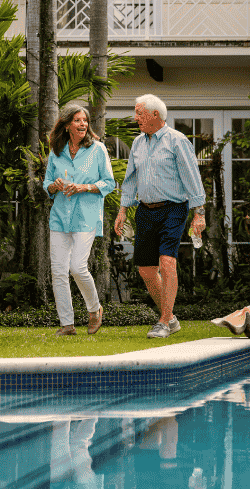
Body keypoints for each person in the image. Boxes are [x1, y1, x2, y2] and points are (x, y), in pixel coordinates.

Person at [113, 94, 206, 338]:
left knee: (167, 262)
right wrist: (123, 209)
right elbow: (131, 179)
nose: (136, 118)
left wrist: (199, 213)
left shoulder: (177, 141)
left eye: (139, 113)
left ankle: (164, 321)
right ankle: (171, 317)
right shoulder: (137, 143)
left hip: (173, 208)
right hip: (145, 210)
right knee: (146, 270)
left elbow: (192, 177)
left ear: (155, 115)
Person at [43, 104, 116, 336]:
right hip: (60, 217)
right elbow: (46, 184)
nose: (83, 124)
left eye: (85, 120)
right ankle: (67, 324)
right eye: (77, 120)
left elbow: (109, 182)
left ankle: (95, 310)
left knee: (77, 267)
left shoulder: (98, 149)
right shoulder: (56, 152)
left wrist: (84, 187)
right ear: (67, 125)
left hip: (86, 216)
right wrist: (53, 186)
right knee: (58, 271)